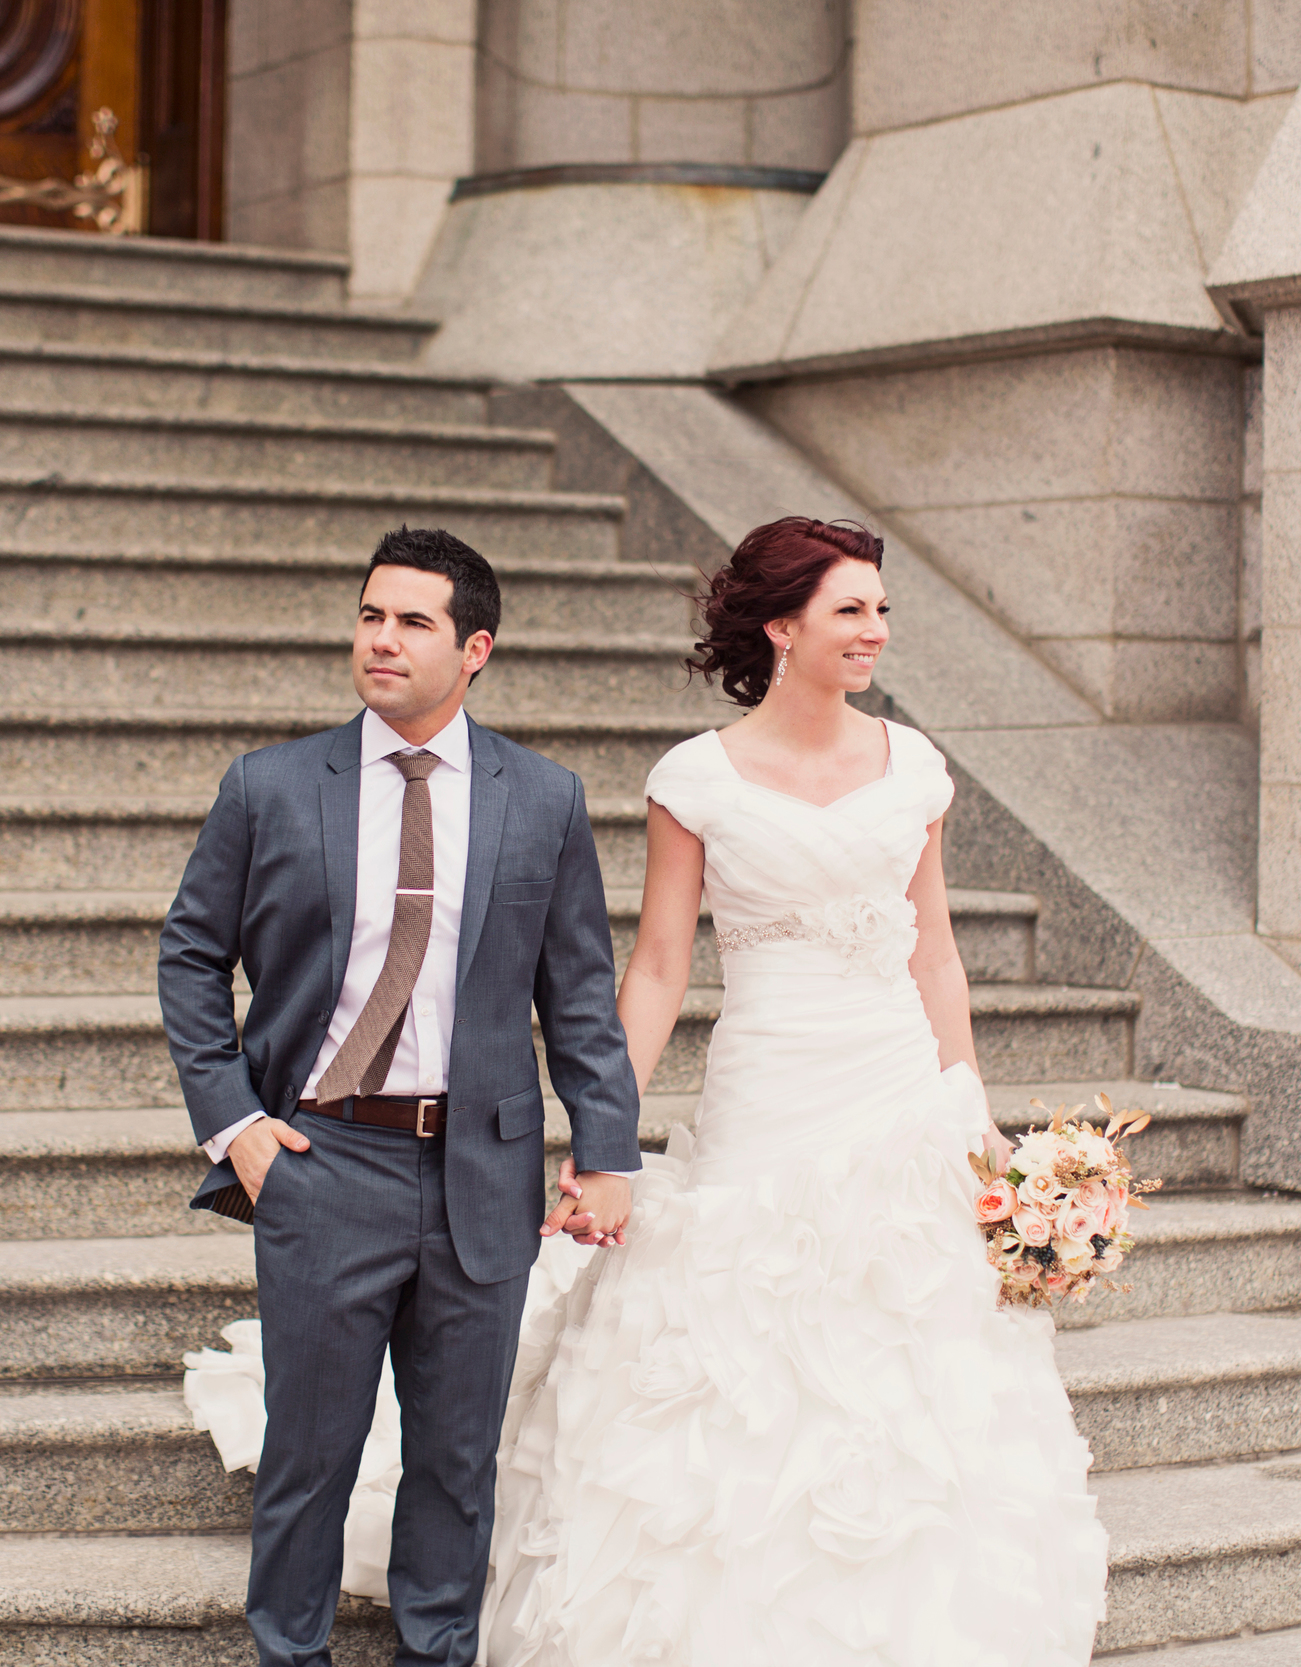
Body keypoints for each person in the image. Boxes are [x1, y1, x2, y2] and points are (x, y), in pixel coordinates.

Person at [475, 516, 1109, 1665]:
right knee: (742, 1342)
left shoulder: (913, 766)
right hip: (768, 1084)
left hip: (897, 1091)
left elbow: (936, 952)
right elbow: (661, 964)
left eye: (879, 610)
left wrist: (975, 1111)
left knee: (914, 1351)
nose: (872, 631)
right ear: (781, 626)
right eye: (848, 610)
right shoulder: (694, 779)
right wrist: (602, 1134)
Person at [158, 525, 644, 1667]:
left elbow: (576, 992)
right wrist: (238, 1126)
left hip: (480, 1167)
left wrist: (606, 1146)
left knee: (456, 1458)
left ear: (475, 647)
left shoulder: (544, 799)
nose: (382, 638)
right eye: (371, 615)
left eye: (413, 620)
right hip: (322, 1159)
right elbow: (189, 954)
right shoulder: (271, 785)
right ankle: (291, 1651)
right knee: (308, 1453)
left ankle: (437, 1654)